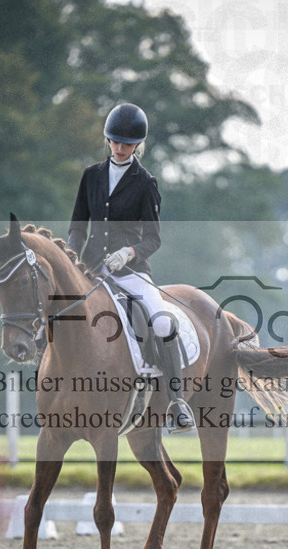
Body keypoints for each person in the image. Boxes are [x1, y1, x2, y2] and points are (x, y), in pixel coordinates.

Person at [67, 103, 195, 433]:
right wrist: (71, 257)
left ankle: (177, 400)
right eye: (114, 142)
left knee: (163, 322)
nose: (120, 148)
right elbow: (78, 226)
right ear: (108, 140)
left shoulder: (145, 183)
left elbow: (153, 239)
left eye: (126, 144)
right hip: (92, 269)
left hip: (132, 273)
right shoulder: (91, 176)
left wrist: (129, 252)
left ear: (138, 145)